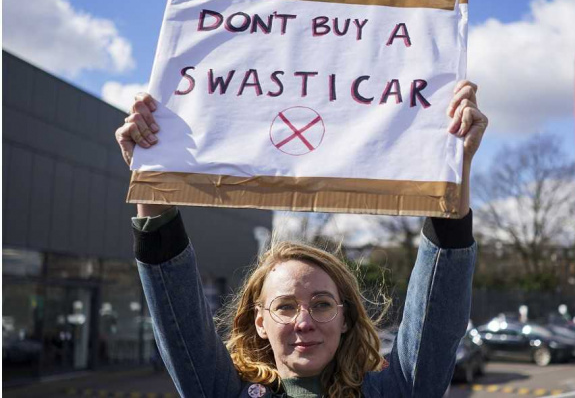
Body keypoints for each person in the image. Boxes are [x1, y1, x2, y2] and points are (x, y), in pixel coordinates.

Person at [114, 80, 488, 398]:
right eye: (285, 306)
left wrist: (453, 166)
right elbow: (176, 310)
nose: (304, 322)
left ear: (344, 319)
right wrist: (153, 173)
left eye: (323, 304)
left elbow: (438, 308)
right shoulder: (219, 390)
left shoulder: (395, 390)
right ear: (260, 321)